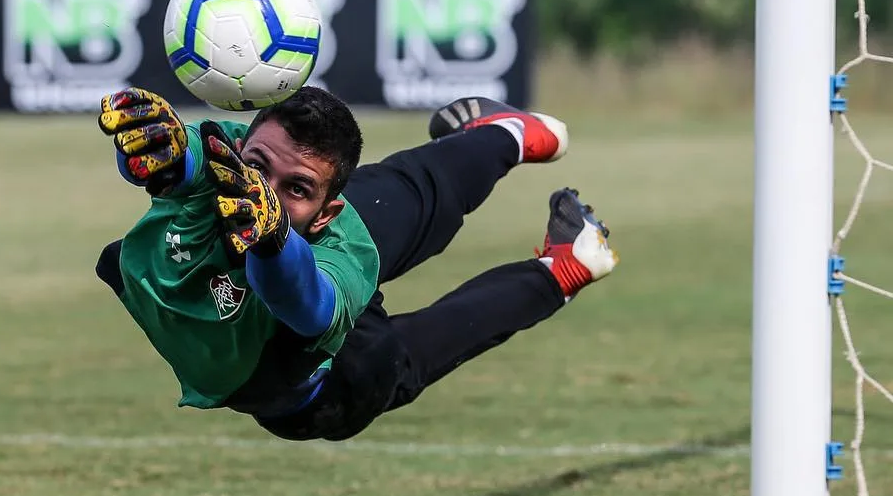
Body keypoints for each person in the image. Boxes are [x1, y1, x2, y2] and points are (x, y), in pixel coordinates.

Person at [94, 86, 619, 442]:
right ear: (243, 147)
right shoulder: (231, 164)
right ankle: (559, 258)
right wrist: (149, 148)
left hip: (328, 341)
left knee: (411, 199)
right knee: (416, 196)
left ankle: (511, 141)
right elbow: (173, 156)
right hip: (318, 394)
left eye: (297, 189)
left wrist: (272, 236)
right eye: (256, 166)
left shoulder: (334, 264)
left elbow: (304, 304)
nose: (264, 193)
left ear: (327, 215)